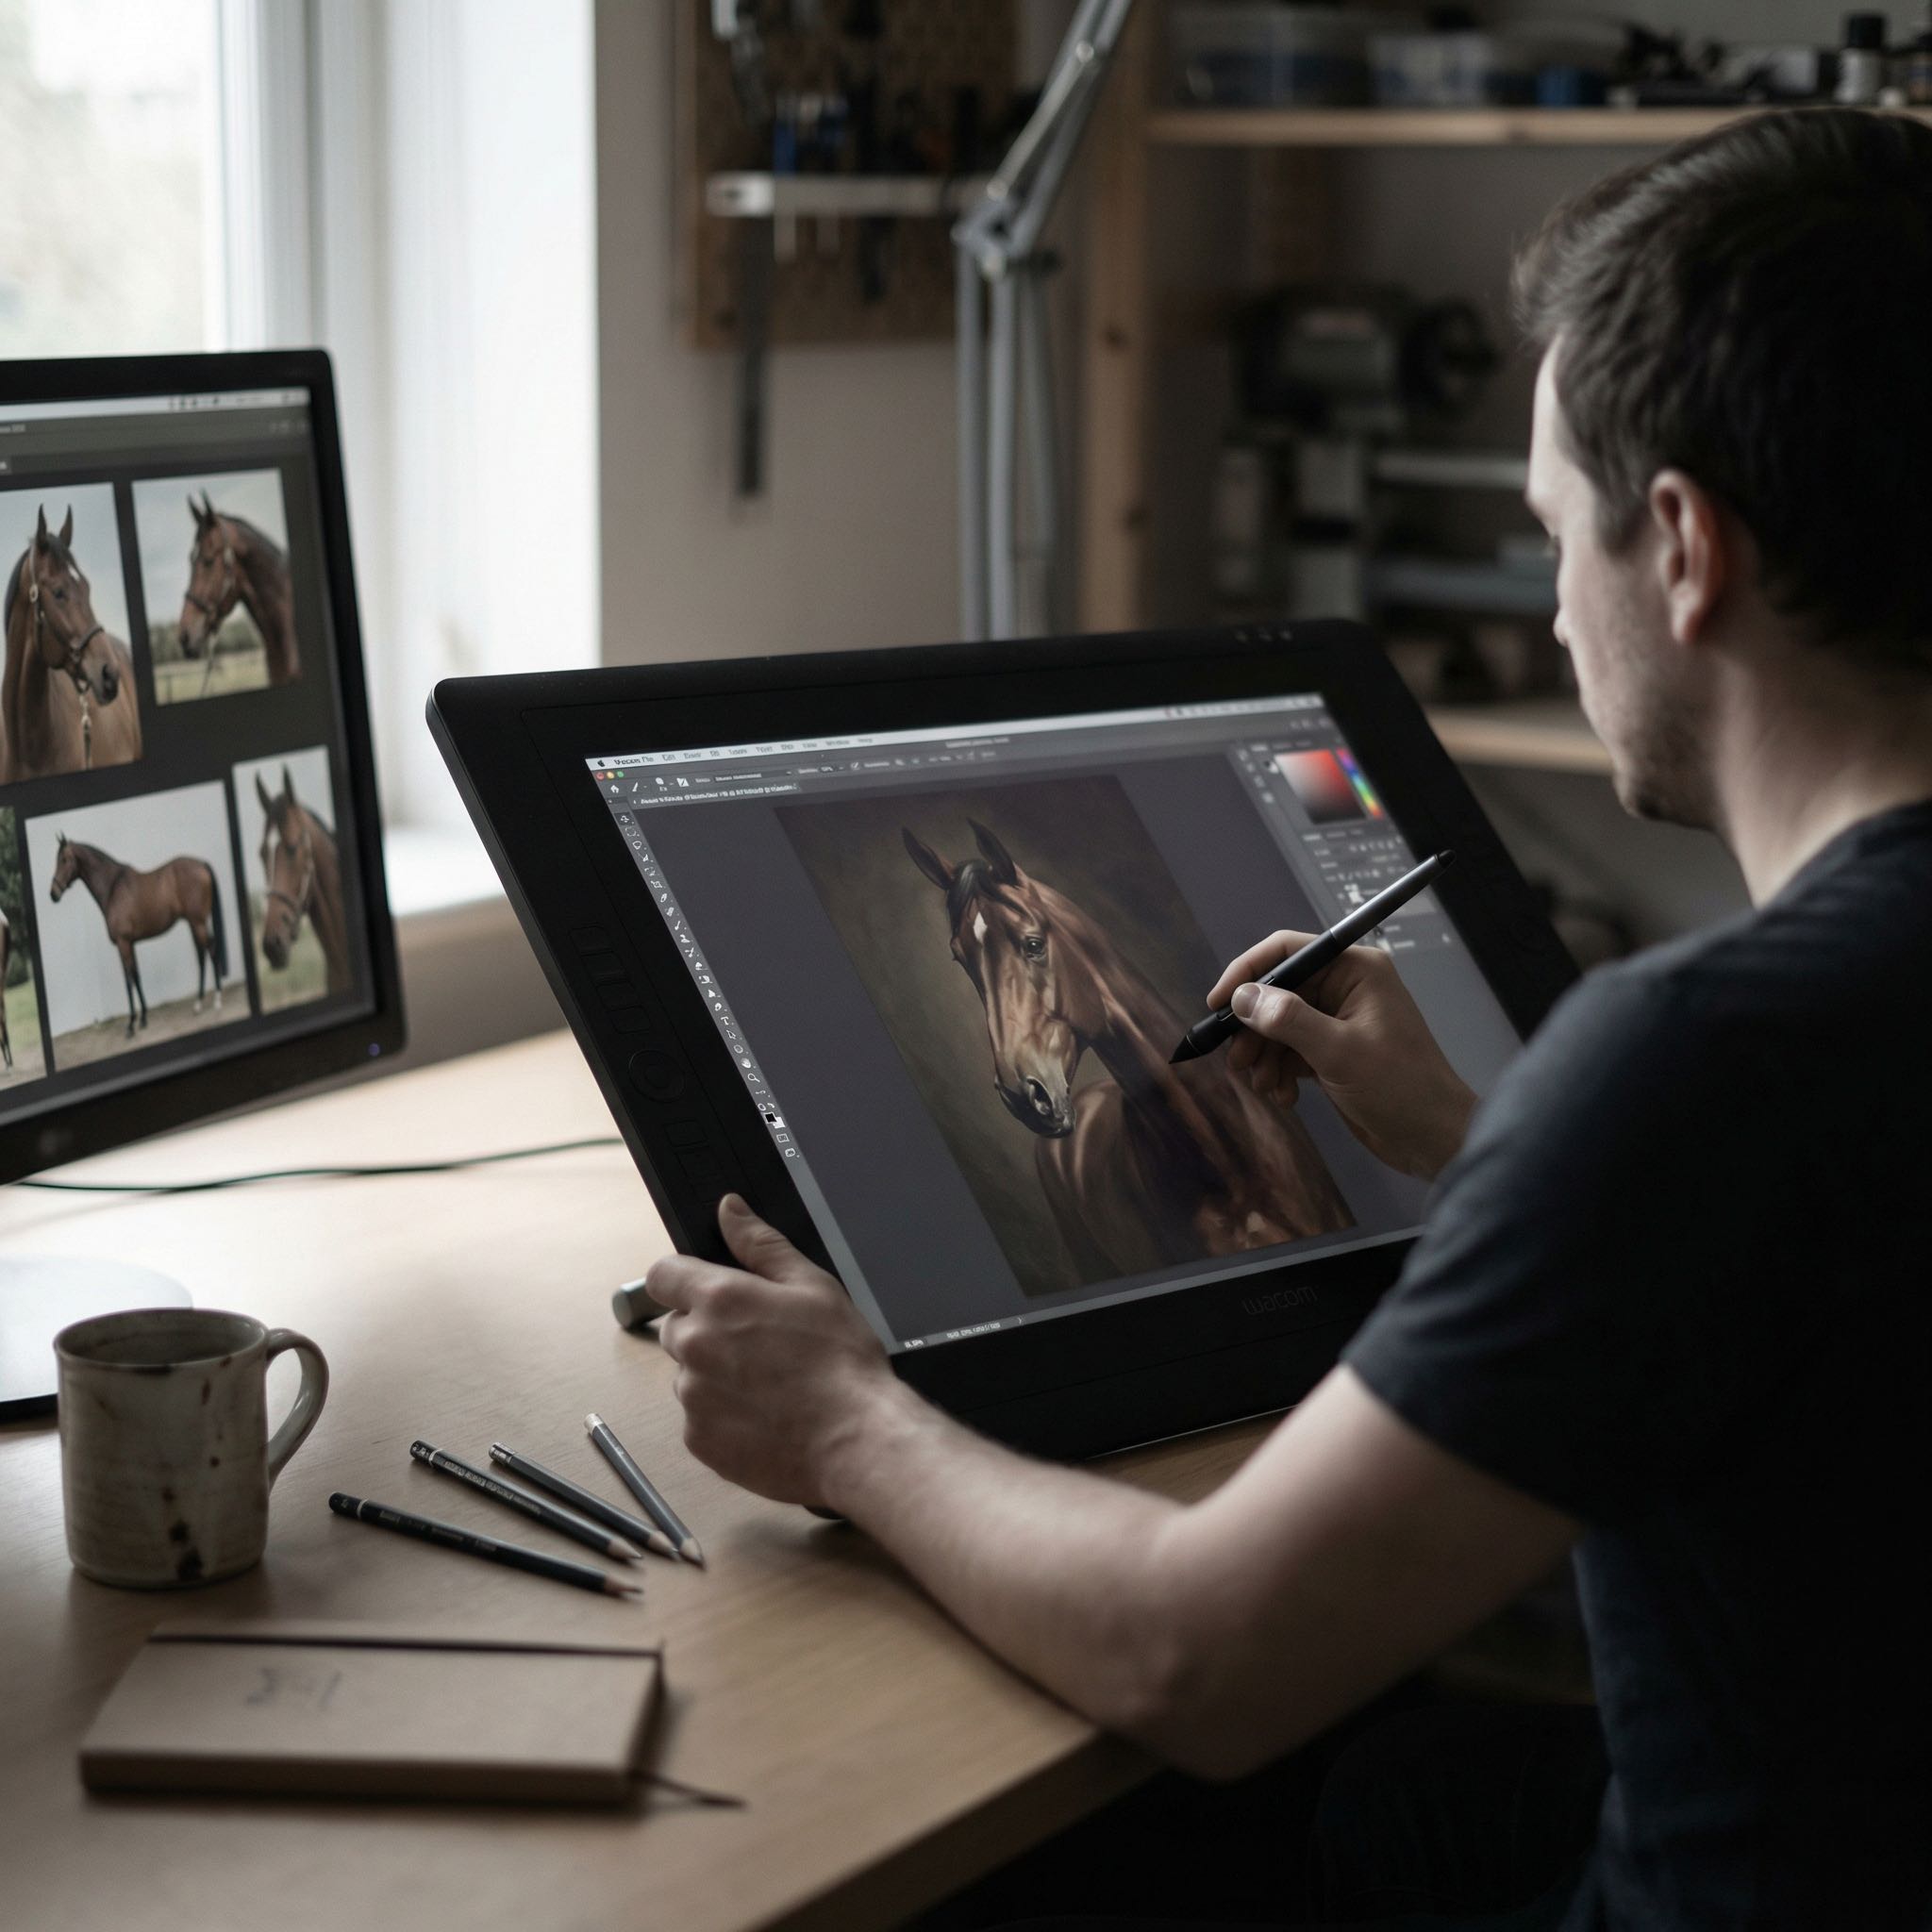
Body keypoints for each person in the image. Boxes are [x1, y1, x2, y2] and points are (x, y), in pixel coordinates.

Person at [647, 108, 1932, 1930]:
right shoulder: (1770, 1075)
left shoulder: (1708, 1060)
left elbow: (1198, 1657)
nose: (1559, 607)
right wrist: (1494, 1153)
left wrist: (847, 1420)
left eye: (1556, 532)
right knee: (1402, 1795)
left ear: (1683, 546)